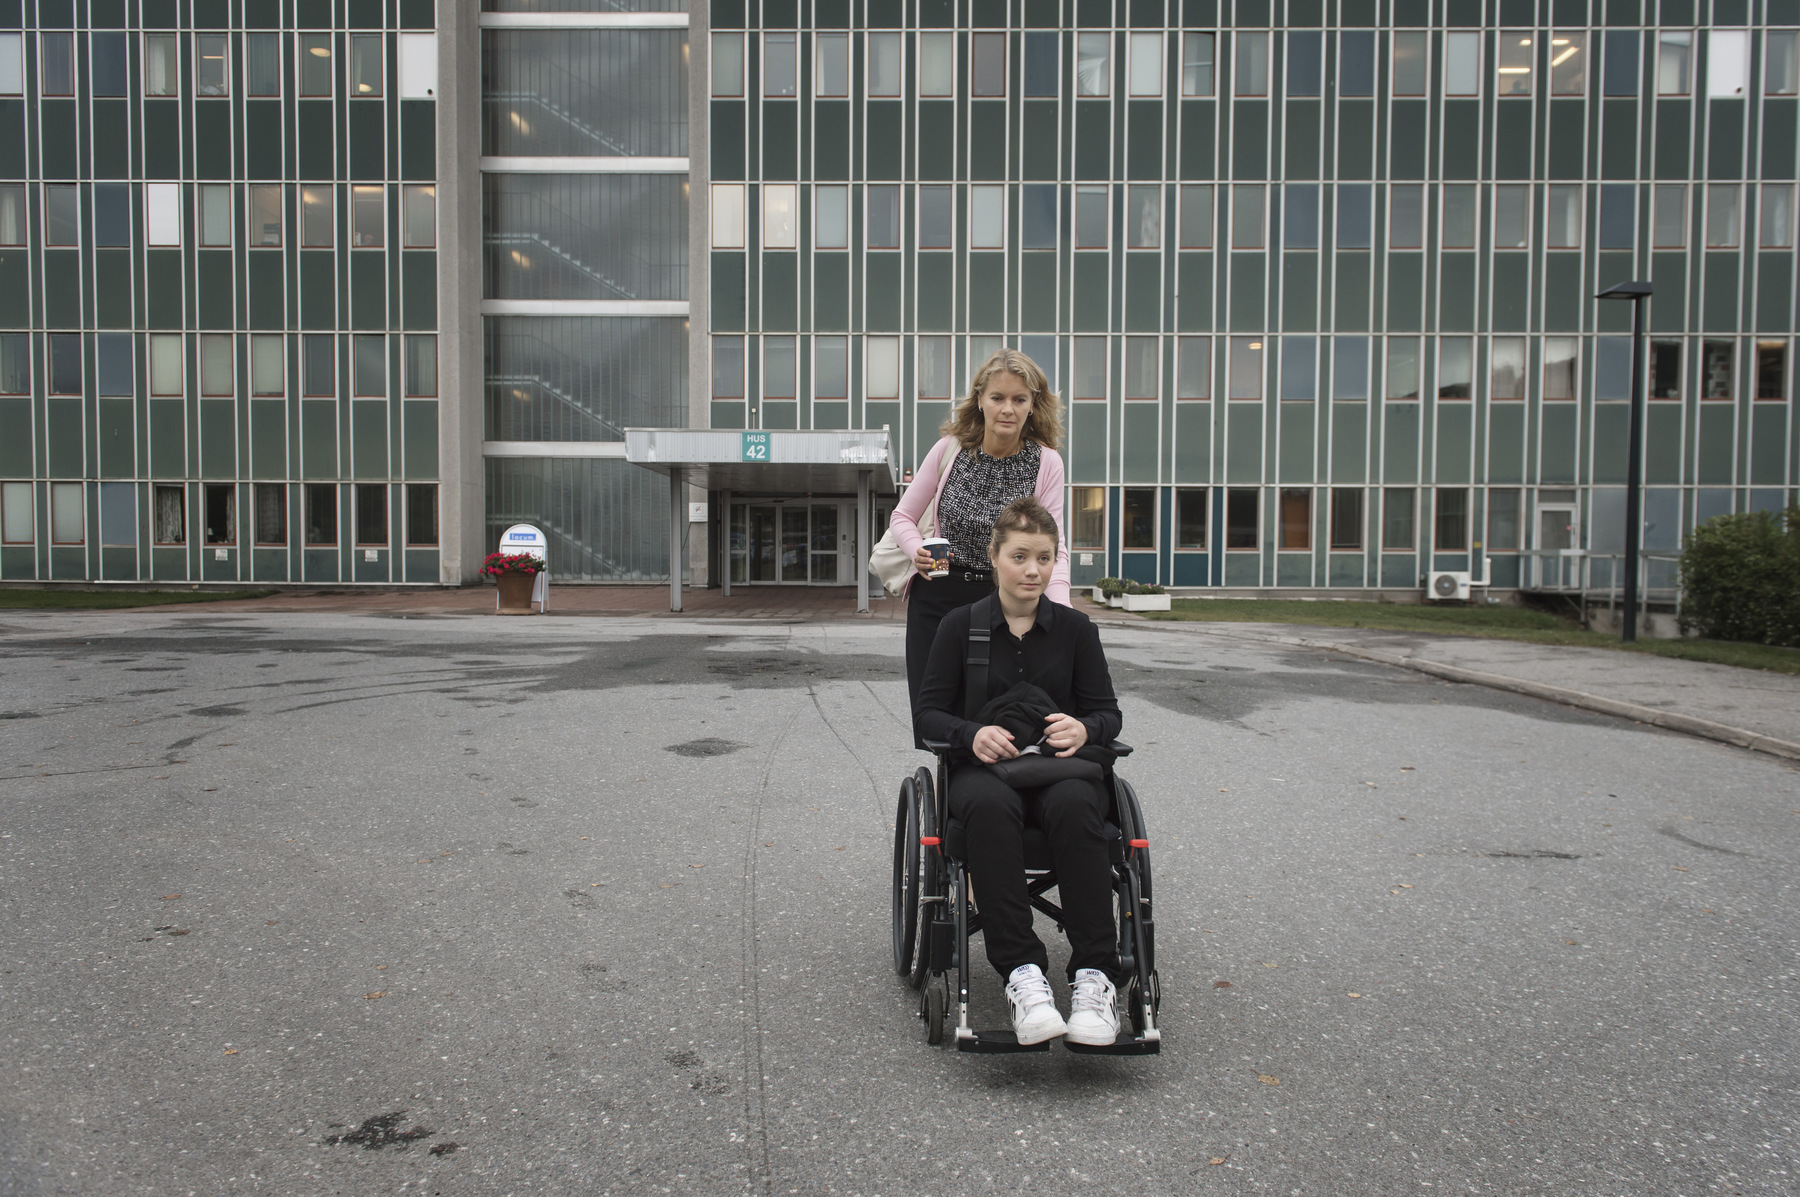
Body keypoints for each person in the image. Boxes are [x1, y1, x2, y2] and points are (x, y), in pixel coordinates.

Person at [913, 497, 1123, 1046]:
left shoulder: (1077, 631)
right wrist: (970, 734)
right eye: (1021, 556)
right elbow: (929, 712)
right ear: (995, 556)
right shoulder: (960, 627)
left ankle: (1094, 978)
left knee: (1080, 804)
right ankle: (1024, 976)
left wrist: (1085, 730)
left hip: (1059, 771)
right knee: (986, 806)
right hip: (987, 772)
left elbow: (1107, 712)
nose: (1033, 570)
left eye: (1045, 558)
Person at [888, 349, 1071, 729]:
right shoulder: (949, 449)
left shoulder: (1047, 462)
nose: (1008, 409)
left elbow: (1055, 546)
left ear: (1033, 406)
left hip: (1002, 601)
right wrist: (916, 549)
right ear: (981, 401)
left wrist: (1062, 613)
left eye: (1019, 399)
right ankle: (950, 782)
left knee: (997, 714)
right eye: (998, 397)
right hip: (938, 595)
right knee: (938, 714)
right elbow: (902, 516)